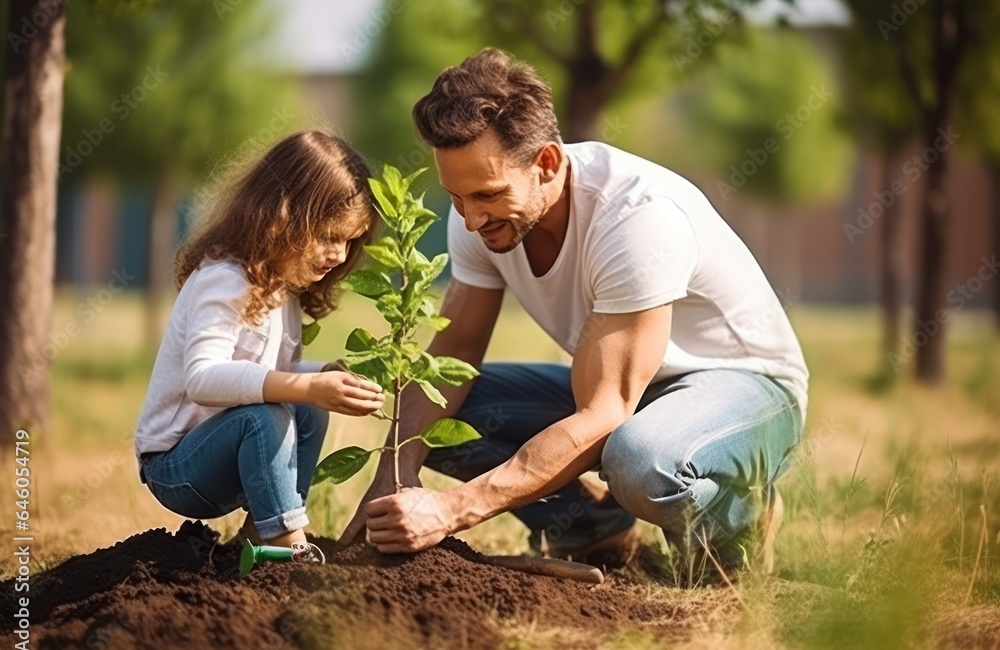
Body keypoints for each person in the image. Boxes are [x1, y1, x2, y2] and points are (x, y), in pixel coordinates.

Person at [342, 48, 808, 574]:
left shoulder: (635, 218)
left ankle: (740, 516)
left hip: (746, 390)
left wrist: (452, 509)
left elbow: (608, 411)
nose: (470, 220)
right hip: (634, 393)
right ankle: (591, 527)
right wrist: (393, 474)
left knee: (639, 460)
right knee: (436, 415)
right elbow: (454, 352)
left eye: (487, 195)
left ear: (547, 163)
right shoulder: (480, 212)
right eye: (457, 197)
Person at [135, 130, 386, 553]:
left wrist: (321, 376)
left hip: (227, 456)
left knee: (306, 408)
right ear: (283, 218)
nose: (340, 255)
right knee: (265, 416)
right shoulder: (226, 280)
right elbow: (203, 378)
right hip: (177, 467)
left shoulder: (282, 289)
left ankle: (263, 532)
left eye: (349, 240)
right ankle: (288, 543)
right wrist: (304, 386)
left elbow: (273, 374)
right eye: (328, 235)